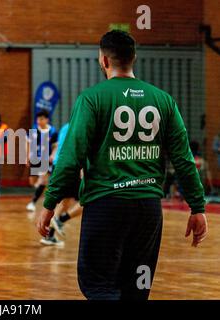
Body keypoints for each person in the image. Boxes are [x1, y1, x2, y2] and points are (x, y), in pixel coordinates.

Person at [37, 30, 207, 300]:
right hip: (149, 209)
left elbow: (71, 158)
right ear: (133, 58)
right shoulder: (163, 100)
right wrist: (197, 206)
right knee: (137, 289)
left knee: (98, 285)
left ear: (103, 60)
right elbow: (184, 159)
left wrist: (49, 204)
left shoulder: (92, 98)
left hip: (106, 205)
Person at [40, 122, 83, 246]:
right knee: (86, 200)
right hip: (71, 167)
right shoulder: (80, 126)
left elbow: (58, 145)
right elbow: (78, 147)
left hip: (58, 165)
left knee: (65, 201)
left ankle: (49, 236)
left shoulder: (65, 126)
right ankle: (60, 220)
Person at [26, 110, 58, 212]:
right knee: (32, 181)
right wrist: (27, 157)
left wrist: (53, 155)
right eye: (38, 119)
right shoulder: (34, 130)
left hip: (46, 159)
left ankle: (33, 202)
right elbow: (28, 144)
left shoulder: (53, 131)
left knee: (43, 180)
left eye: (41, 119)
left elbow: (55, 146)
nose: (39, 121)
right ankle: (41, 188)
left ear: (47, 120)